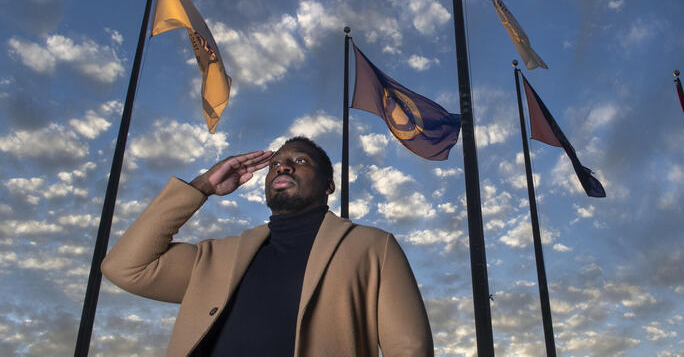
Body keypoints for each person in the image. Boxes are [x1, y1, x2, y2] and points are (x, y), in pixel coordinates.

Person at [101, 136, 434, 356]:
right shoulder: (216, 257)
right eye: (275, 164)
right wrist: (202, 185)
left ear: (329, 185)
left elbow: (409, 348)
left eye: (300, 160)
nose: (283, 165)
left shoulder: (373, 246)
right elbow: (125, 267)